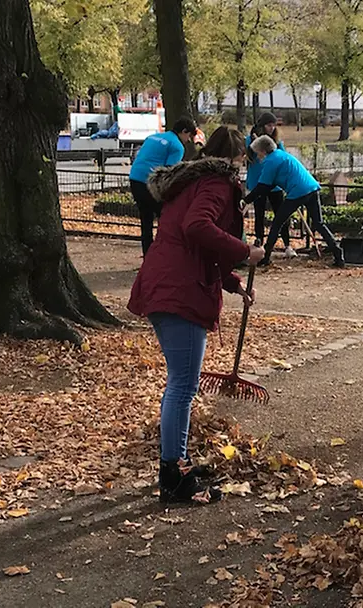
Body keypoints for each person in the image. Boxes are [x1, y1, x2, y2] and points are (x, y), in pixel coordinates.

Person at [128, 126, 265, 505]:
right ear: (235, 160)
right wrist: (243, 249)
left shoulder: (191, 182)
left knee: (181, 384)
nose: (242, 170)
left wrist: (232, 282)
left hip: (168, 283)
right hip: (178, 291)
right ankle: (174, 474)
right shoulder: (217, 184)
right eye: (242, 162)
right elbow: (197, 228)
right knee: (183, 386)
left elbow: (198, 242)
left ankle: (179, 462)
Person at [244, 135, 344, 268]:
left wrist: (246, 200)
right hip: (312, 187)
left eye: (257, 153)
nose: (258, 156)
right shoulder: (281, 154)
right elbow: (271, 183)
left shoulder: (270, 161)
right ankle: (338, 253)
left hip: (298, 192)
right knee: (319, 223)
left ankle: (266, 257)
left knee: (277, 223)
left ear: (262, 151)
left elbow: (263, 187)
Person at [128, 116, 198, 256]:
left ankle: (148, 256)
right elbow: (169, 173)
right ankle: (164, 254)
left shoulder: (152, 137)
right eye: (189, 136)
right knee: (167, 218)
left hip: (135, 179)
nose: (188, 140)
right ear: (184, 131)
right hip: (151, 184)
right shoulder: (177, 146)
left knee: (146, 220)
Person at [246, 113, 293, 257]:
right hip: (258, 182)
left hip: (275, 184)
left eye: (274, 125)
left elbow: (283, 157)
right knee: (259, 214)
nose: (272, 128)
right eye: (269, 125)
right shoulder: (249, 140)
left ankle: (287, 244)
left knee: (281, 213)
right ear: (262, 125)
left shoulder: (277, 142)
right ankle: (260, 242)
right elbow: (248, 157)